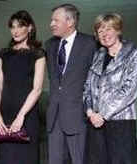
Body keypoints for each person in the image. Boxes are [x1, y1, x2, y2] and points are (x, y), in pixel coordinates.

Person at [84, 13, 137, 164]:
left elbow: (129, 90)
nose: (105, 34)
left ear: (118, 30)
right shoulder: (97, 56)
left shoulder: (134, 54)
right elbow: (87, 88)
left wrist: (103, 115)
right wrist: (90, 112)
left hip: (120, 123)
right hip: (95, 123)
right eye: (100, 31)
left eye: (109, 29)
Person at [45, 4, 97, 164]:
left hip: (78, 115)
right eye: (51, 20)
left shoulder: (90, 43)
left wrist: (91, 110)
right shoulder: (50, 45)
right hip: (54, 117)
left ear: (70, 22)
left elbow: (95, 81)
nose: (51, 24)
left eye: (55, 20)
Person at [0, 10, 45, 164]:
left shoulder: (38, 54)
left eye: (19, 26)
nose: (15, 31)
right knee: (7, 159)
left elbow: (37, 89)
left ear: (29, 28)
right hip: (5, 114)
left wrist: (21, 116)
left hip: (27, 115)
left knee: (26, 158)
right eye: (12, 27)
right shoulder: (4, 53)